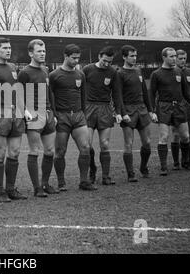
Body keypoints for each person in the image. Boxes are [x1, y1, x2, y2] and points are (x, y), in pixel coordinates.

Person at [0, 37, 27, 202]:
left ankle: (11, 189)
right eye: (4, 48)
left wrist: (23, 109)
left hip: (15, 113)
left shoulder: (12, 67)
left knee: (14, 152)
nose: (8, 51)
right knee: (0, 153)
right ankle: (0, 192)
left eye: (9, 48)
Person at [50, 44, 97, 191]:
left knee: (85, 148)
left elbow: (83, 97)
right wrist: (55, 115)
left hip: (78, 116)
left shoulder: (80, 74)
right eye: (73, 58)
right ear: (65, 56)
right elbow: (51, 97)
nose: (76, 61)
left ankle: (84, 181)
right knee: (60, 151)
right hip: (62, 116)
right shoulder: (54, 75)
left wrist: (82, 113)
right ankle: (61, 182)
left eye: (78, 58)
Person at [150, 47, 190, 175]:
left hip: (179, 106)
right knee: (164, 137)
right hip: (164, 107)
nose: (174, 59)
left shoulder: (179, 71)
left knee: (186, 136)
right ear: (164, 57)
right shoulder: (156, 74)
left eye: (174, 56)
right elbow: (151, 93)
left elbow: (186, 91)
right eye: (171, 56)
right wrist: (152, 111)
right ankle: (164, 167)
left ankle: (185, 162)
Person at [18, 39, 57, 197]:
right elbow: (18, 94)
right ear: (30, 53)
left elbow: (49, 93)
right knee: (34, 150)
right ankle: (37, 187)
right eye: (39, 51)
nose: (42, 54)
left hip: (47, 113)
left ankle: (45, 183)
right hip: (33, 114)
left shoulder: (46, 70)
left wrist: (53, 113)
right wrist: (25, 110)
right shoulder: (24, 72)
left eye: (44, 51)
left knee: (49, 151)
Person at [82, 46, 123, 185]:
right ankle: (92, 169)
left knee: (105, 144)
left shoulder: (113, 72)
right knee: (87, 145)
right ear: (99, 56)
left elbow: (117, 94)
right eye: (105, 60)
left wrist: (118, 112)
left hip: (105, 108)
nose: (106, 64)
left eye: (109, 62)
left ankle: (106, 176)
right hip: (88, 107)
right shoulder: (87, 69)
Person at [117, 45, 155, 181]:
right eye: (131, 56)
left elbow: (145, 92)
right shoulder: (119, 73)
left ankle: (143, 167)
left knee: (147, 142)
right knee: (129, 143)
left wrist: (151, 110)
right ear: (124, 57)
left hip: (142, 110)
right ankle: (130, 174)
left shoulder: (138, 70)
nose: (134, 58)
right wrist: (122, 112)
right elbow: (118, 96)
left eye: (135, 55)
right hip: (128, 110)